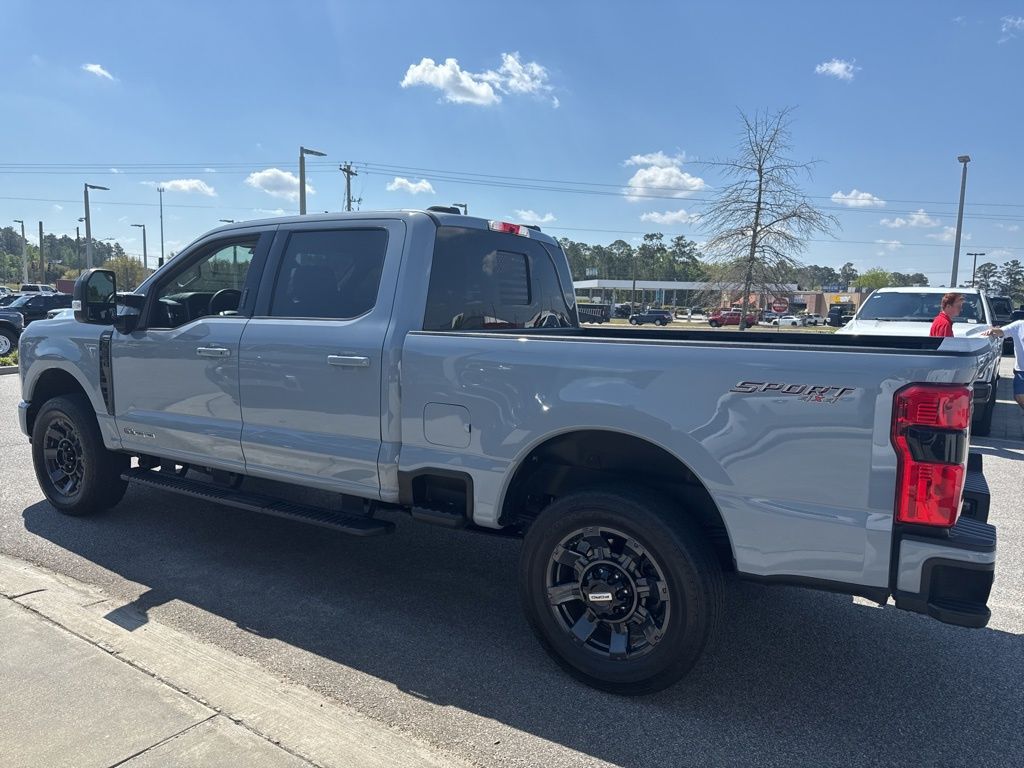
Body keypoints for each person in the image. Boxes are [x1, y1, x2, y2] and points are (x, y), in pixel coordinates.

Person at [983, 318, 1024, 414]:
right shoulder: (1019, 325)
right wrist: (993, 331)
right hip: (1021, 370)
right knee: (1018, 396)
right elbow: (1002, 331)